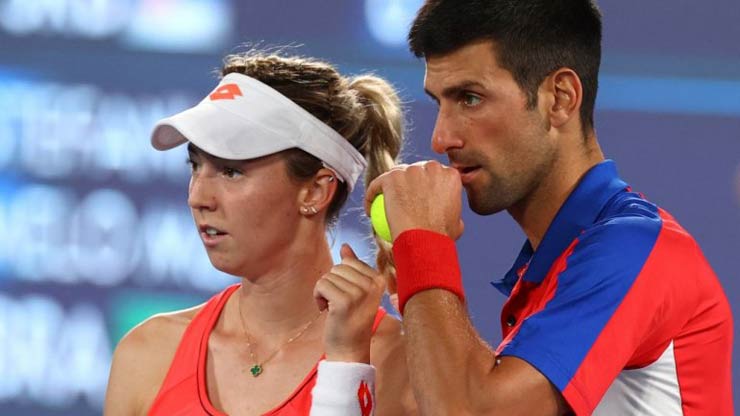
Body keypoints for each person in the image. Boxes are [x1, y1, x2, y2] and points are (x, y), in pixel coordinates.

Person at [364, 0, 735, 415]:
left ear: (560, 98)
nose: (441, 138)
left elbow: (467, 411)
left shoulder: (635, 247)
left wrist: (424, 244)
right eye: (439, 103)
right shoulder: (557, 263)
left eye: (470, 98)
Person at [104, 50, 417, 415]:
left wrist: (348, 363)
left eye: (231, 171)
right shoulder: (148, 353)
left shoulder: (403, 367)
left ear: (315, 191)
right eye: (195, 166)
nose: (198, 197)